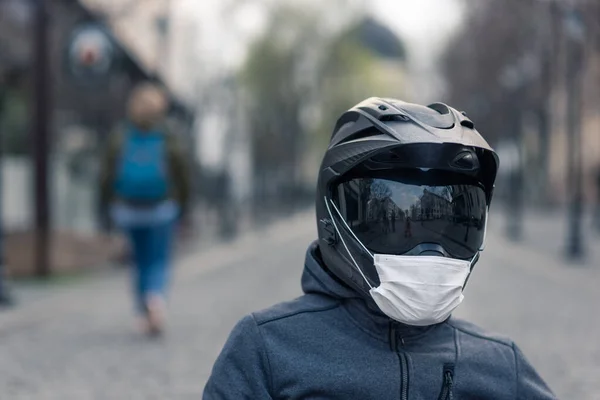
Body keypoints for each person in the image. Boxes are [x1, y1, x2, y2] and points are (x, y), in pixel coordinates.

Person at [203, 98, 556, 399]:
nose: (428, 253)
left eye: (452, 223)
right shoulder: (268, 350)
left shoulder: (501, 366)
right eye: (397, 220)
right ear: (333, 219)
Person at [100, 82, 190, 336]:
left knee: (138, 261)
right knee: (158, 259)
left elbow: (106, 175)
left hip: (127, 209)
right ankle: (155, 300)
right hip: (161, 208)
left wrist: (108, 204)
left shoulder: (120, 136)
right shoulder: (168, 135)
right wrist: (182, 206)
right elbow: (182, 175)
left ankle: (142, 312)